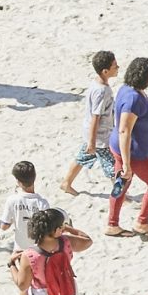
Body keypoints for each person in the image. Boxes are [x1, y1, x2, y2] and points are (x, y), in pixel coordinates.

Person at [106, 56, 148, 240]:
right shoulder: (134, 99)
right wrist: (127, 164)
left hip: (121, 148)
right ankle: (142, 222)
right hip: (134, 153)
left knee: (121, 185)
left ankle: (112, 224)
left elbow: (142, 121)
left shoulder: (127, 89)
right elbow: (125, 130)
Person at [11, 208, 92, 295]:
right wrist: (67, 228)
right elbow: (87, 240)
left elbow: (22, 285)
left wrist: (11, 265)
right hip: (66, 291)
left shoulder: (29, 255)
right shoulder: (66, 242)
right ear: (57, 230)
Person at [61, 50, 119, 194]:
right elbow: (96, 117)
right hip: (100, 137)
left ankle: (66, 183)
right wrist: (93, 142)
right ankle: (120, 196)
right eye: (115, 66)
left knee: (82, 157)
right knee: (113, 167)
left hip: (91, 134)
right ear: (105, 71)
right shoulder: (103, 91)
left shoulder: (95, 83)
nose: (118, 67)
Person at [0, 161, 51, 255]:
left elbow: (4, 227)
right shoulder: (42, 203)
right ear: (34, 177)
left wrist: (13, 219)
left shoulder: (12, 200)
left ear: (18, 181)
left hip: (20, 250)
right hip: (38, 250)